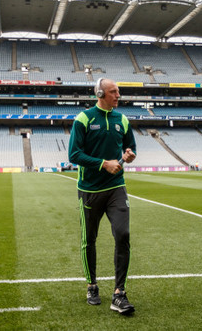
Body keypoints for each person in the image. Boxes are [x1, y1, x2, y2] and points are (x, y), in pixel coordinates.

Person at [68, 77, 137, 315]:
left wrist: (128, 155)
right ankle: (92, 285)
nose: (118, 95)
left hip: (116, 187)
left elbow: (131, 148)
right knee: (90, 239)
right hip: (89, 190)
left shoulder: (123, 119)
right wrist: (102, 164)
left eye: (119, 91)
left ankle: (119, 293)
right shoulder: (84, 119)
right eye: (113, 92)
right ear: (100, 94)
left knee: (123, 234)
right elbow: (74, 154)